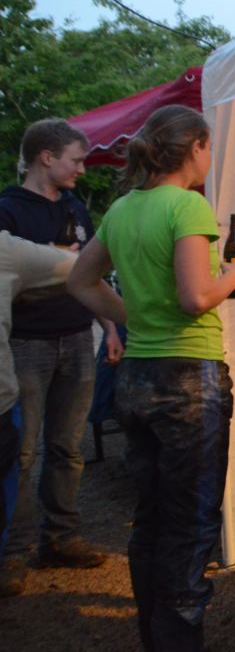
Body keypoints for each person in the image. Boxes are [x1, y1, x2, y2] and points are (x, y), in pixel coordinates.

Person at [67, 104, 235, 651]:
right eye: (208, 148)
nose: (210, 158)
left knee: (150, 517)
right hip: (188, 381)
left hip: (137, 378)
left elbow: (80, 280)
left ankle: (155, 637)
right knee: (190, 525)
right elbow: (195, 297)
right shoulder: (188, 206)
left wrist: (135, 318)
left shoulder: (122, 208)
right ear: (195, 146)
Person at [0, 118, 121, 585]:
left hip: (76, 337)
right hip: (25, 345)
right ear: (46, 158)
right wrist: (53, 264)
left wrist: (109, 328)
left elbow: (89, 276)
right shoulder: (8, 210)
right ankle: (13, 552)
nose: (83, 170)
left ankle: (60, 539)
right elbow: (15, 284)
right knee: (20, 452)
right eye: (77, 160)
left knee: (67, 447)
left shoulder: (75, 207)